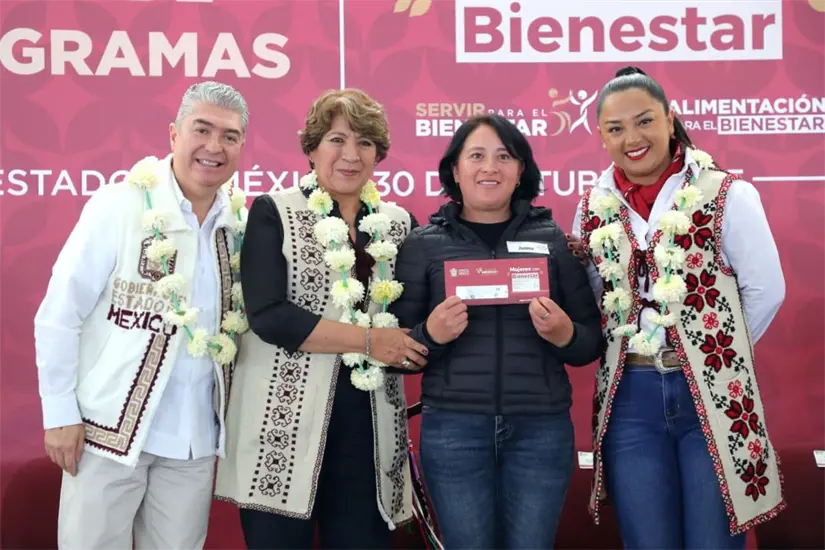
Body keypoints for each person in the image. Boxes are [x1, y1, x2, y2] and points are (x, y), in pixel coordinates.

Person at [569, 66, 786, 550]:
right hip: (631, 396)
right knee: (648, 541)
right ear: (601, 137)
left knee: (714, 541)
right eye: (615, 128)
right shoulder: (591, 209)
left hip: (712, 390)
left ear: (671, 119)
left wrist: (713, 350)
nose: (632, 138)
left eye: (644, 121)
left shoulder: (728, 193)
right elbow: (599, 301)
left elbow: (765, 290)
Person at [34, 81, 250, 550]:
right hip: (106, 432)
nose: (214, 147)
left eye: (229, 136)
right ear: (174, 134)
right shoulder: (120, 205)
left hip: (192, 440)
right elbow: (58, 313)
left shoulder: (238, 225)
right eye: (202, 129)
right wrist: (59, 413)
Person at [214, 88, 426, 550]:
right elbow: (270, 316)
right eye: (336, 140)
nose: (351, 155)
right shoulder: (275, 210)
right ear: (311, 147)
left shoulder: (399, 223)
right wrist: (369, 340)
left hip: (368, 431)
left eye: (365, 142)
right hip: (280, 423)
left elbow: (414, 319)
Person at [390, 114, 604, 550]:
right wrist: (430, 334)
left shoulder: (553, 242)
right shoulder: (422, 244)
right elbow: (396, 348)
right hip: (453, 430)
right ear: (455, 169)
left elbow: (590, 344)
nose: (490, 167)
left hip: (540, 431)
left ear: (521, 169)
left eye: (504, 156)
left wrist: (564, 333)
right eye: (477, 156)